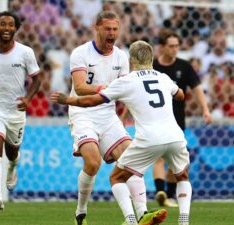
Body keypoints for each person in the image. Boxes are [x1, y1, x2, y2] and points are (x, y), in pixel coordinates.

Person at [52, 40, 192, 225]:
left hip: (147, 137)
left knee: (117, 177)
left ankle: (132, 219)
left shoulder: (126, 81)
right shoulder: (163, 77)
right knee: (182, 176)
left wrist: (68, 100)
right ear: (152, 59)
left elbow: (91, 101)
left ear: (131, 61)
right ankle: (183, 221)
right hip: (175, 135)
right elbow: (181, 95)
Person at [67, 11, 158, 225]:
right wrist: (105, 88)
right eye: (107, 29)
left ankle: (141, 214)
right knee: (93, 162)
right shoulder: (80, 53)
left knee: (132, 160)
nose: (112, 33)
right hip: (83, 114)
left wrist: (131, 113)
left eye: (115, 29)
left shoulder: (120, 56)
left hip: (108, 115)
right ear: (96, 28)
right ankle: (81, 211)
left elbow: (126, 91)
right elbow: (79, 88)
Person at [0, 11, 41, 211]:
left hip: (15, 111)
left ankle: (12, 167)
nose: (6, 28)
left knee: (12, 152)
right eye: (2, 24)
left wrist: (28, 99)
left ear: (15, 29)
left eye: (10, 25)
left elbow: (37, 79)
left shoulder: (25, 52)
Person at [152, 29, 211, 207]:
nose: (175, 49)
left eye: (177, 46)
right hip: (154, 120)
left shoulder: (184, 66)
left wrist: (206, 109)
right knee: (159, 158)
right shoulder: (152, 67)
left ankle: (167, 195)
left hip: (177, 121)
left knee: (173, 160)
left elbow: (197, 88)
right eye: (171, 46)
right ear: (161, 47)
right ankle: (161, 192)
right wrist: (126, 114)